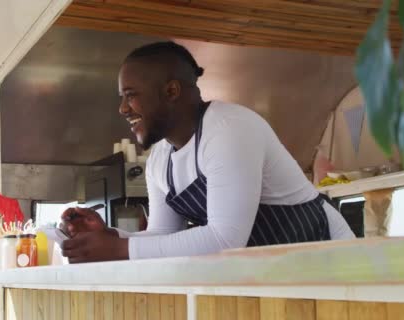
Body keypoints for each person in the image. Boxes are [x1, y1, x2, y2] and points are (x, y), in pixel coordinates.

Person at [60, 42, 354, 263]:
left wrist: (118, 248)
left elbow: (225, 238)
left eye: (131, 95)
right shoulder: (160, 160)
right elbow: (164, 235)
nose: (123, 109)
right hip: (271, 267)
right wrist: (110, 237)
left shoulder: (229, 129)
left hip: (326, 256)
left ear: (171, 92)